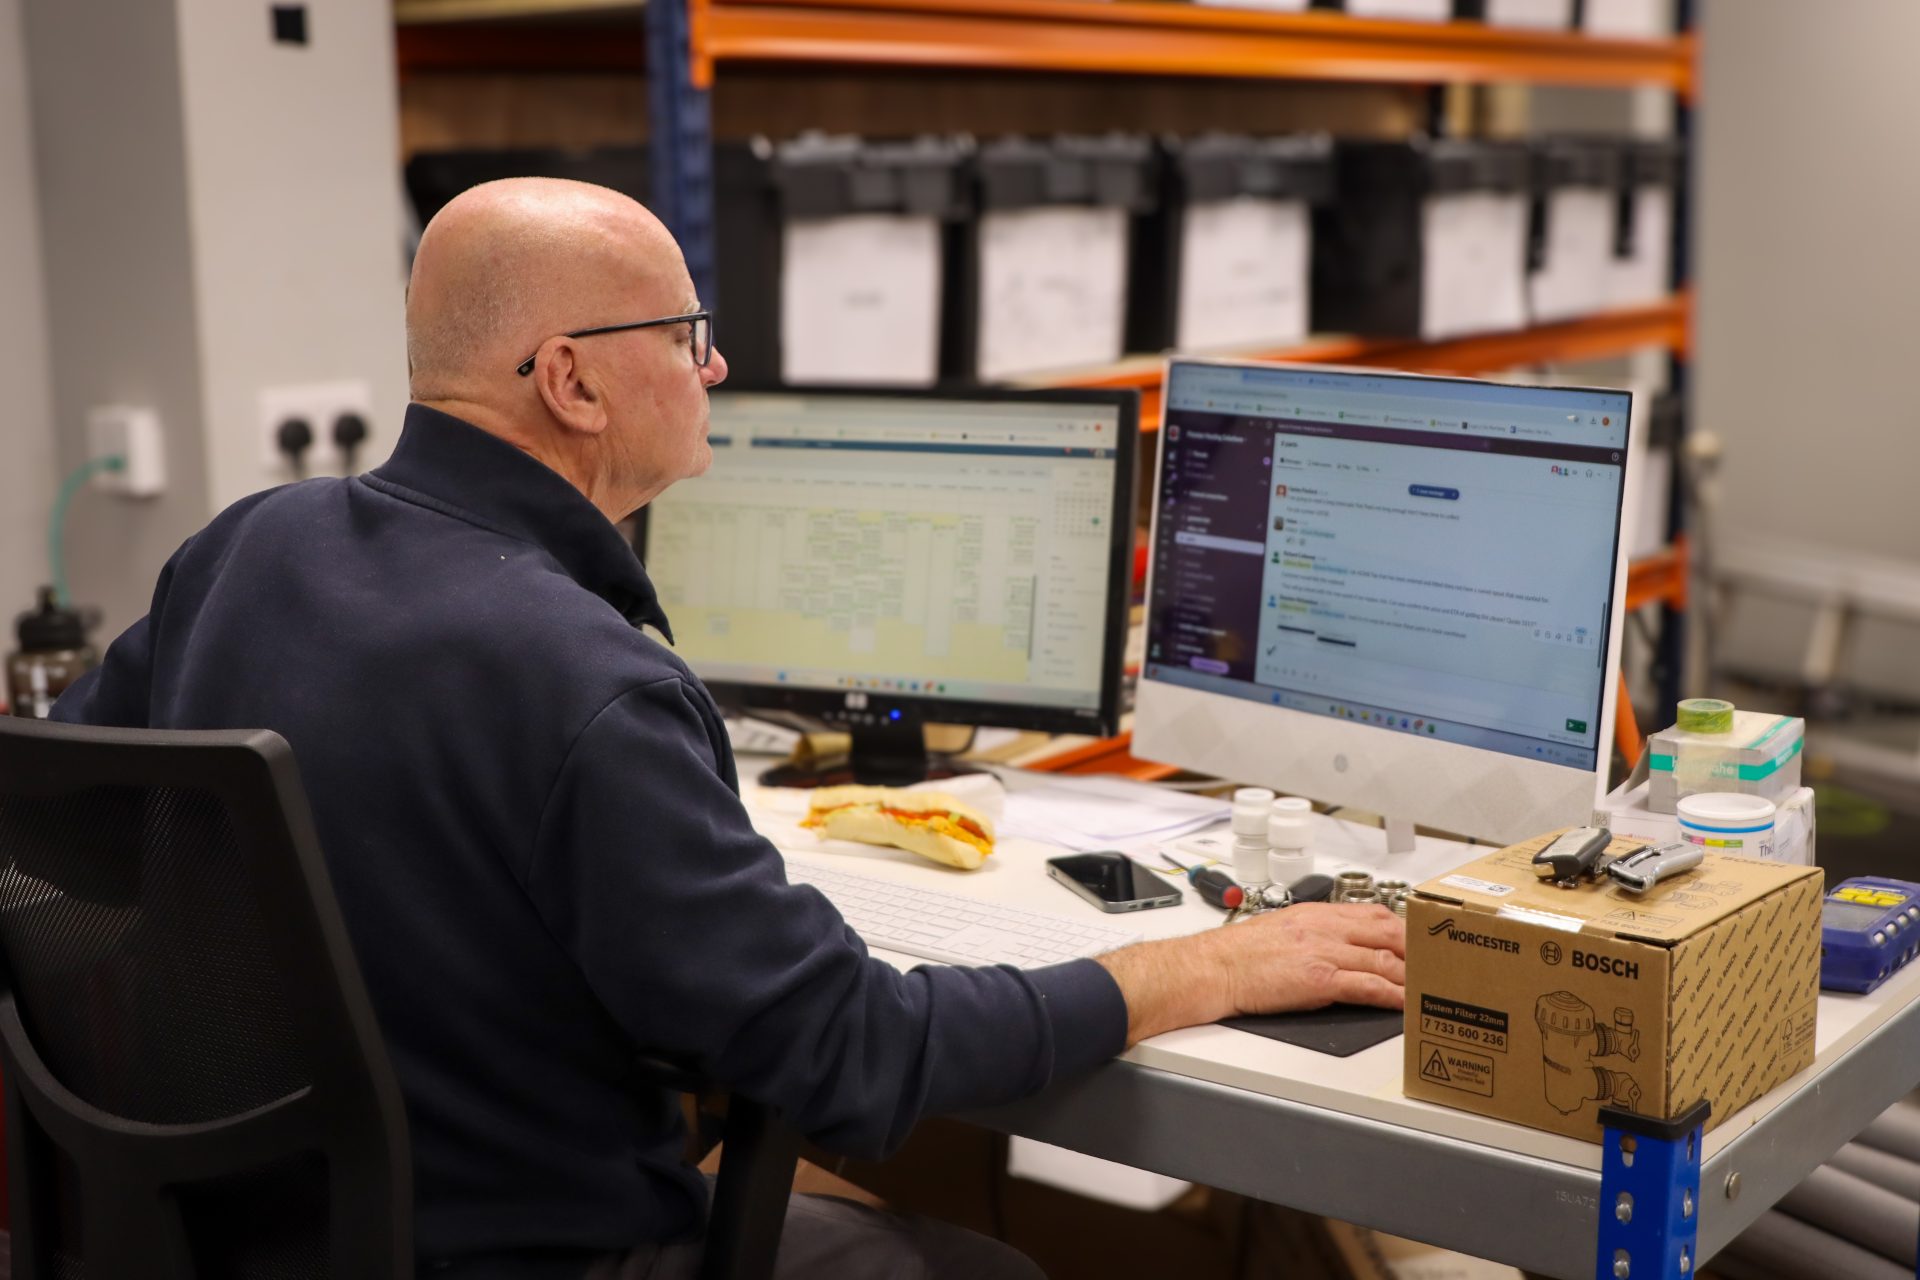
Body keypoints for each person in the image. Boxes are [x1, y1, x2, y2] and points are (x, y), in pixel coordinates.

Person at [54, 178, 1406, 1280]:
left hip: (233, 1233)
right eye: (687, 333)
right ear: (574, 383)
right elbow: (855, 1059)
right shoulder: (591, 683)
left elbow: (58, 819)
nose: (717, 363)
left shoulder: (246, 545)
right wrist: (1211, 968)